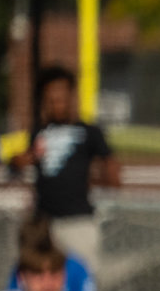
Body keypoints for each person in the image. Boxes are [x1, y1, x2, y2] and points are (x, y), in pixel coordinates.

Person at [9, 66, 120, 273]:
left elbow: (112, 169)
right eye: (50, 98)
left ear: (71, 96)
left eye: (60, 95)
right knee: (40, 277)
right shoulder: (39, 133)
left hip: (78, 221)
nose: (56, 102)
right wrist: (26, 158)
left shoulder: (89, 131)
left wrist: (95, 182)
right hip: (44, 223)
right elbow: (17, 162)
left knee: (82, 280)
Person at [4, 215, 96, 291]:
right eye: (36, 274)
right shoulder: (21, 267)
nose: (47, 284)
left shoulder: (75, 267)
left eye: (54, 273)